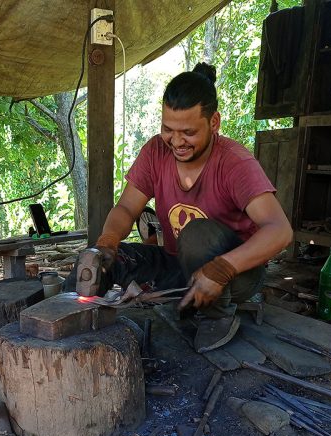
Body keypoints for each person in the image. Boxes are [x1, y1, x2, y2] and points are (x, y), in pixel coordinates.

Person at [69, 62, 293, 352]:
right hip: (179, 265)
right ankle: (69, 315)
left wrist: (223, 268)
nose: (176, 142)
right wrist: (108, 243)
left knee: (196, 234)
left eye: (188, 132)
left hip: (237, 275)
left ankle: (218, 315)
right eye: (167, 129)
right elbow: (126, 208)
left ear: (214, 123)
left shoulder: (235, 163)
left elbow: (280, 231)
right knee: (101, 260)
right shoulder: (155, 152)